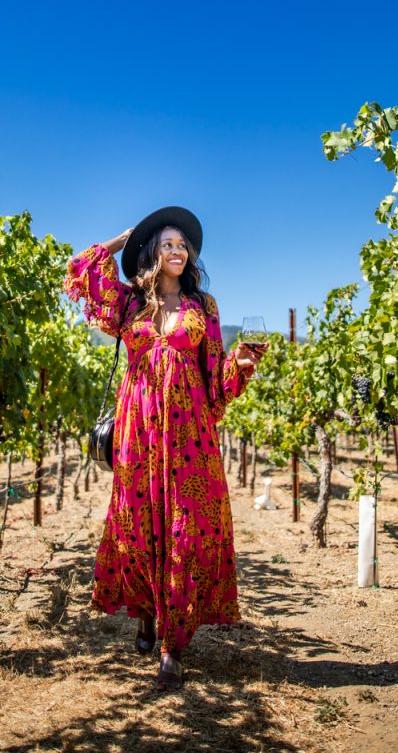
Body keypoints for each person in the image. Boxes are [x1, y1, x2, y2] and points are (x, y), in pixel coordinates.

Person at [64, 206, 265, 690]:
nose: (177, 251)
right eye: (167, 243)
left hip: (189, 433)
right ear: (153, 252)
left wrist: (238, 362)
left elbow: (216, 377)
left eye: (183, 245)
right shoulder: (130, 305)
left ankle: (174, 645)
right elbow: (80, 270)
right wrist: (123, 239)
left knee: (187, 528)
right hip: (138, 430)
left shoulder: (204, 307)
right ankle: (147, 615)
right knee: (138, 525)